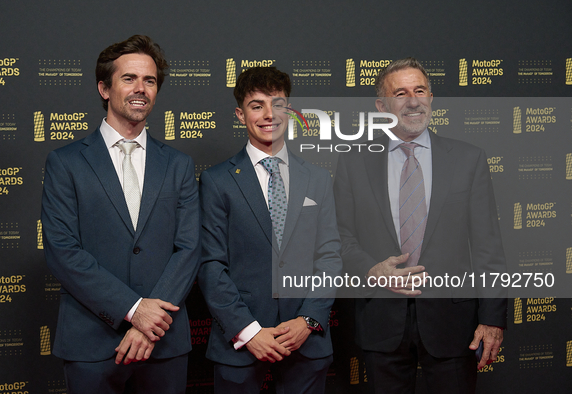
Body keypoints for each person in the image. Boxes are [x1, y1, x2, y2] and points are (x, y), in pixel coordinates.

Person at [333, 57, 507, 393]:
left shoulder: (468, 159)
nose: (412, 100)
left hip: (454, 326)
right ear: (382, 105)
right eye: (400, 93)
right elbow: (338, 235)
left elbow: (488, 246)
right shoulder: (354, 161)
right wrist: (370, 268)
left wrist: (492, 318)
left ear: (430, 98)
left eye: (420, 90)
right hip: (381, 321)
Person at [41, 35, 200, 394]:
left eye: (150, 80)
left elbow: (190, 249)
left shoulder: (178, 164)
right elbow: (63, 251)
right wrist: (132, 309)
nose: (140, 89)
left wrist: (150, 322)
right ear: (104, 88)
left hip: (165, 342)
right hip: (91, 343)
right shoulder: (65, 163)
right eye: (129, 78)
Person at [197, 66, 342, 393]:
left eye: (277, 104)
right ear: (239, 114)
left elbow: (330, 257)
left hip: (306, 344)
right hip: (241, 344)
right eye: (256, 105)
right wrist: (248, 331)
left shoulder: (317, 179)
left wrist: (307, 321)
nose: (268, 114)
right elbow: (210, 264)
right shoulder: (217, 181)